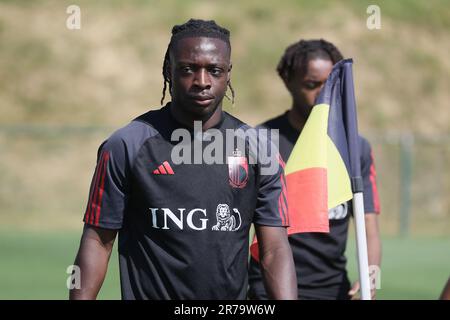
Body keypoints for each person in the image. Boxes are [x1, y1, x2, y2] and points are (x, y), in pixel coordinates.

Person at [69, 19, 296, 300]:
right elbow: (98, 242)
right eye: (188, 69)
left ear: (228, 73)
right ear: (169, 70)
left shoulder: (259, 149)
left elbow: (274, 249)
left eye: (214, 70)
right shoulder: (126, 145)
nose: (202, 82)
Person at [248, 39, 381, 300]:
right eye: (312, 85)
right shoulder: (262, 141)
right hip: (270, 289)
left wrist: (371, 272)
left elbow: (368, 223)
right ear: (289, 82)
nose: (322, 93)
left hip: (333, 289)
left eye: (329, 84)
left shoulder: (355, 148)